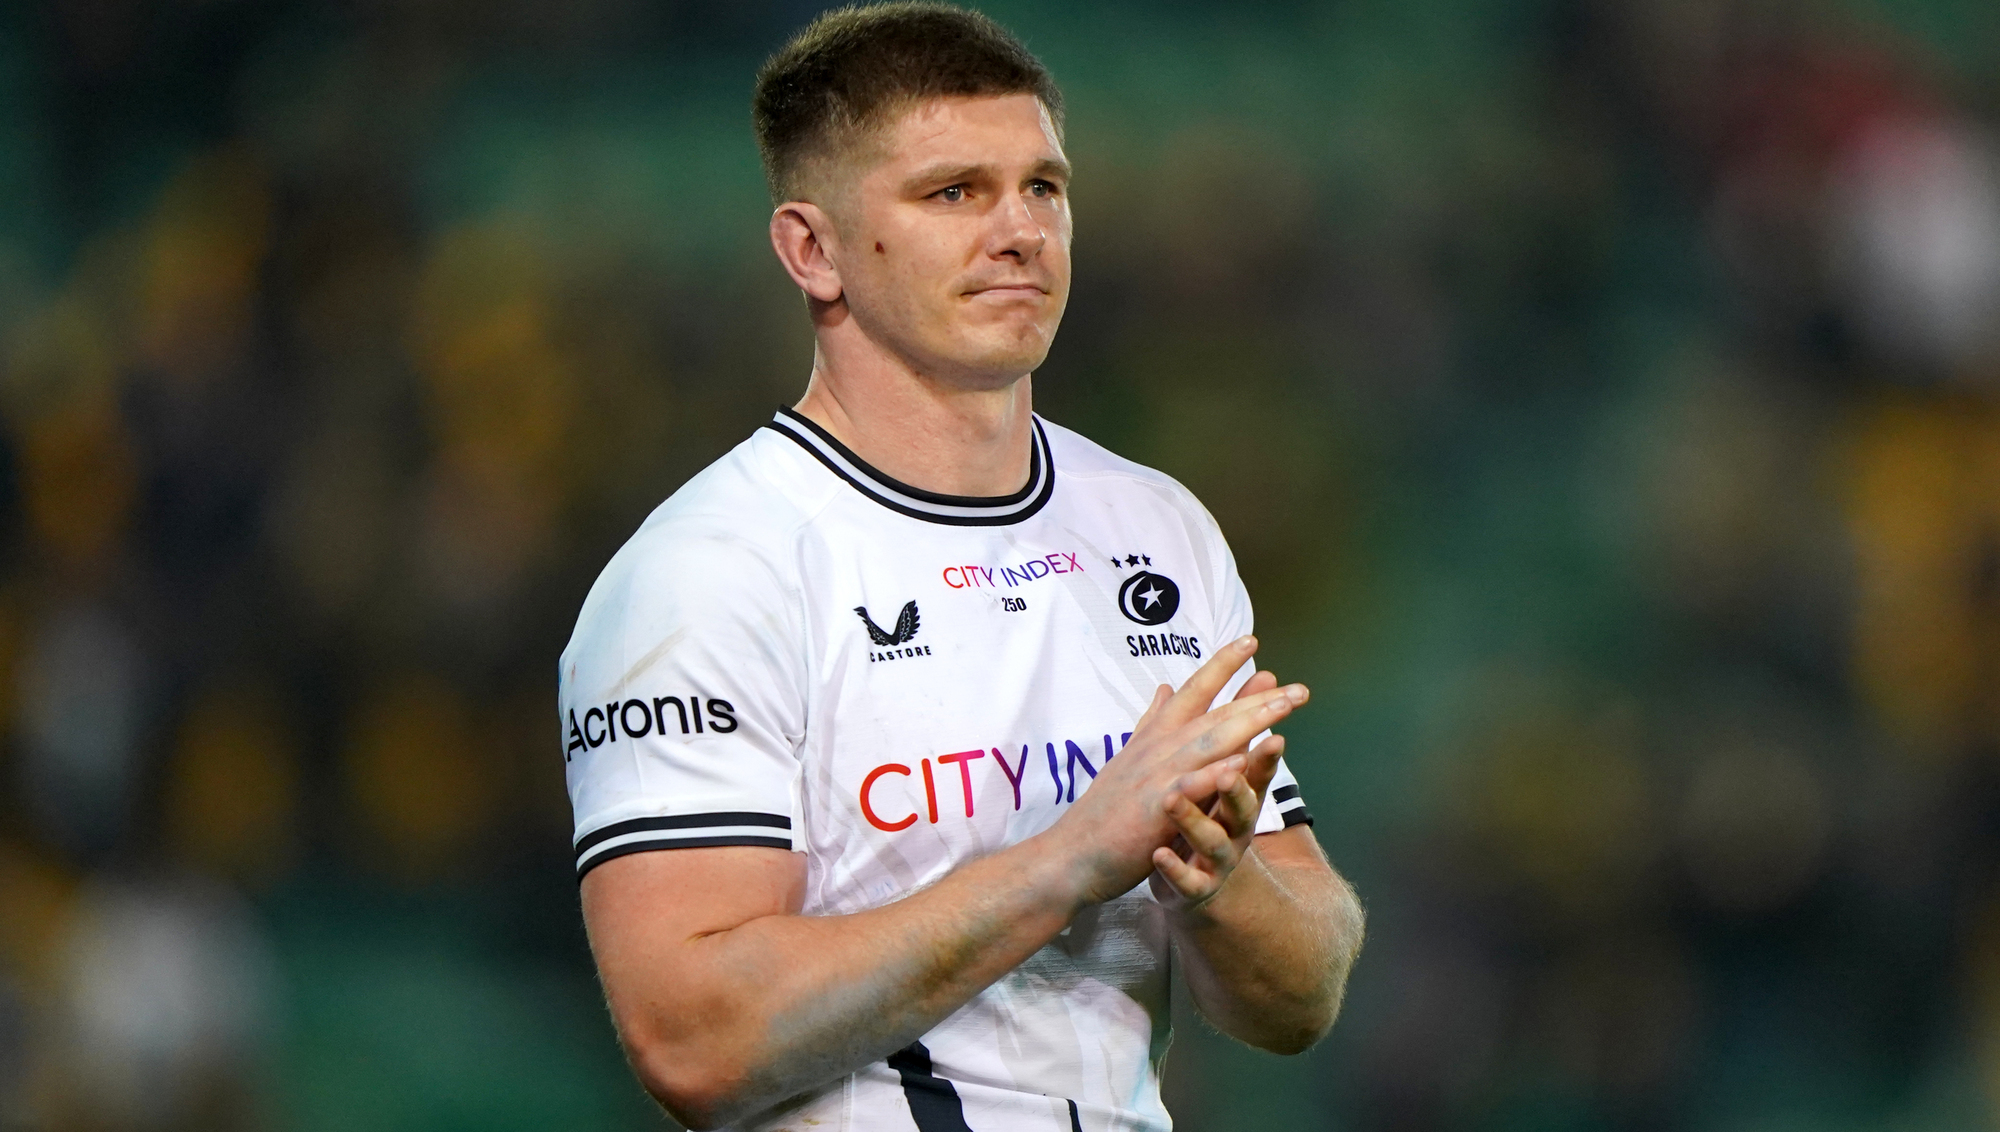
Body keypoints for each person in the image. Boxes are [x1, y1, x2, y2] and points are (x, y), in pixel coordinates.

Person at [558, 4, 1365, 1129]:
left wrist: (1220, 879)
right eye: (953, 193)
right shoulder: (708, 574)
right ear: (813, 250)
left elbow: (1300, 996)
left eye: (1043, 187)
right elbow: (692, 1039)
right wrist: (1072, 856)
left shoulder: (1156, 528)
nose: (1020, 230)